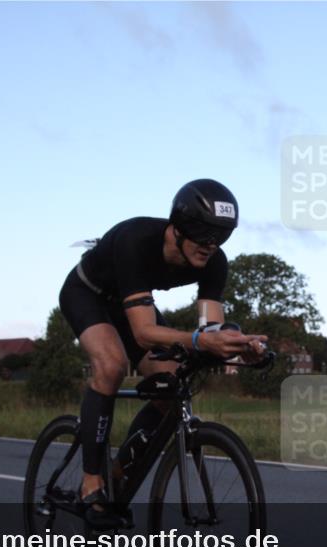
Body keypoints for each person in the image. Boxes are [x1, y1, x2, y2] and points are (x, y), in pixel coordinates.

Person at [58, 179, 267, 528]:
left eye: (221, 235)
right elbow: (142, 331)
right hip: (89, 295)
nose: (210, 244)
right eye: (202, 233)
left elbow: (210, 328)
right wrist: (201, 341)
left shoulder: (214, 261)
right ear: (177, 228)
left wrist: (237, 346)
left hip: (132, 306)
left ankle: (119, 472)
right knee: (111, 366)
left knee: (170, 386)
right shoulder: (136, 241)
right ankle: (91, 482)